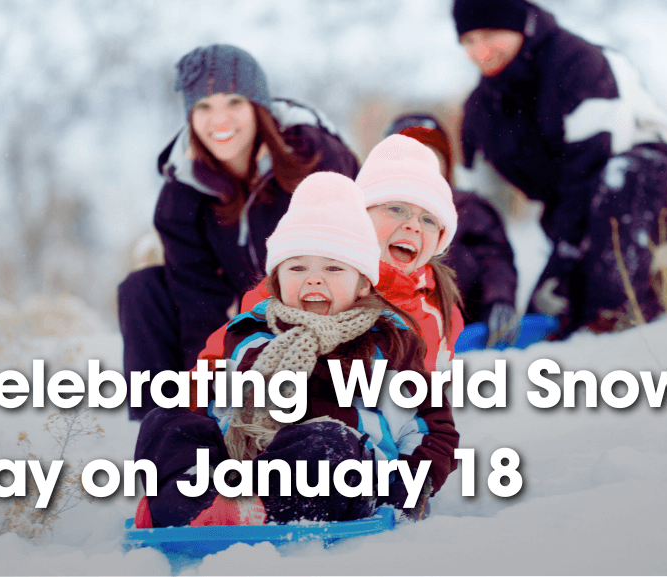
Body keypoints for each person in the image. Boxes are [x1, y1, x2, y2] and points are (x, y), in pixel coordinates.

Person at [134, 172, 459, 528]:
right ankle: (186, 507)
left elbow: (433, 430)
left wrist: (407, 493)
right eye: (298, 267)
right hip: (242, 465)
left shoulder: (391, 342)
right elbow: (208, 401)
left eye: (333, 268)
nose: (314, 279)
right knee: (165, 422)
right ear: (276, 279)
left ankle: (255, 510)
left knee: (328, 440)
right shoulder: (247, 333)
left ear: (364, 283)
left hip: (343, 477)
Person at [118, 44, 360, 420]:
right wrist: (204, 388)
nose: (219, 120)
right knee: (142, 290)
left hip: (320, 299)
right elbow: (196, 296)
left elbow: (353, 251)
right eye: (203, 106)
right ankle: (163, 421)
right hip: (243, 309)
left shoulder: (315, 156)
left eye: (233, 101)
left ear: (257, 106)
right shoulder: (182, 191)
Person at [452, 0, 667, 339]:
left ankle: (623, 322)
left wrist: (566, 254)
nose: (479, 50)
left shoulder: (577, 62)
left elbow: (595, 164)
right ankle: (652, 295)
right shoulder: (482, 109)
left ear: (520, 25)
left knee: (617, 188)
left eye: (490, 34)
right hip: (574, 207)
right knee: (550, 312)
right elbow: (471, 205)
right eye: (468, 41)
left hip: (658, 179)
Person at [198, 134, 464, 373]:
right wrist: (188, 413)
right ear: (362, 215)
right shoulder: (301, 280)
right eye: (396, 209)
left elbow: (432, 401)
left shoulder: (441, 309)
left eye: (429, 220)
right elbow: (220, 359)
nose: (413, 225)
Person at [386, 113, 519, 347]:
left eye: (432, 158)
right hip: (392, 324)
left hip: (463, 323)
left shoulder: (467, 208)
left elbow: (494, 259)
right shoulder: (373, 211)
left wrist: (499, 300)